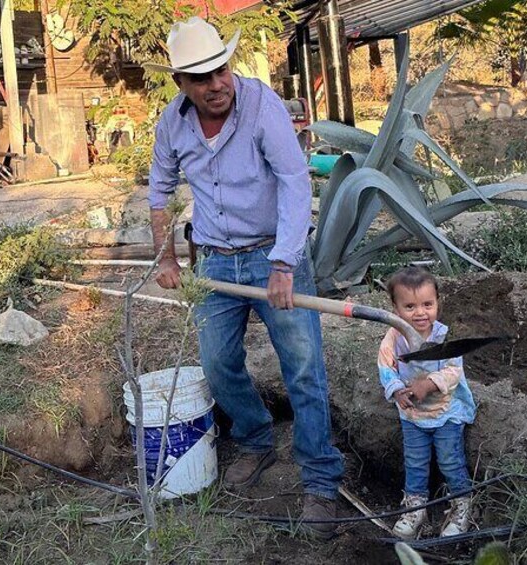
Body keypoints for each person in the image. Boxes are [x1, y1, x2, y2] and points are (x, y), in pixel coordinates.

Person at [145, 16, 344, 539]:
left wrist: (284, 263)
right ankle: (256, 439)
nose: (218, 85)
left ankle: (321, 481)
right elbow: (159, 192)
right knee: (218, 362)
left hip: (273, 255)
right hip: (213, 260)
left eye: (222, 70)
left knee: (302, 368)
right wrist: (165, 257)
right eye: (203, 78)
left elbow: (296, 180)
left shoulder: (261, 106)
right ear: (181, 84)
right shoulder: (173, 123)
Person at [377, 267, 476, 539]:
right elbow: (386, 368)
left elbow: (453, 371)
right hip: (413, 416)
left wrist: (428, 384)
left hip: (446, 413)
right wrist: (397, 389)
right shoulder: (393, 339)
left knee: (449, 460)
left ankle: (462, 505)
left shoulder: (445, 338)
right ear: (395, 308)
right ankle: (415, 508)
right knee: (415, 463)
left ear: (437, 303)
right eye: (410, 306)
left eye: (427, 304)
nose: (420, 313)